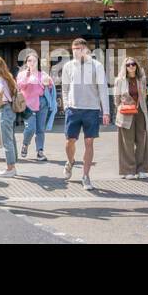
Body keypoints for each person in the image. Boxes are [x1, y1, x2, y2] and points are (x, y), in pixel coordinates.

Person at [60, 38, 110, 190]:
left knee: (89, 142)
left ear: (86, 50)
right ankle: (70, 162)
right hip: (73, 109)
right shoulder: (68, 66)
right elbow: (65, 88)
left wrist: (106, 111)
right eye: (74, 49)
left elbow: (102, 89)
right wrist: (67, 105)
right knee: (70, 141)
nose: (76, 52)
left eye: (79, 49)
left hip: (91, 109)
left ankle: (86, 176)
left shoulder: (96, 65)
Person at [113, 57, 148, 179]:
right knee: (126, 142)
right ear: (125, 67)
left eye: (133, 64)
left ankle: (141, 168)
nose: (131, 67)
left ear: (137, 66)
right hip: (126, 113)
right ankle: (128, 170)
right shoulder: (120, 80)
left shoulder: (141, 79)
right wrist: (121, 107)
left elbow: (144, 95)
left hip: (140, 111)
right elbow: (116, 99)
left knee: (141, 141)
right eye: (128, 65)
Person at [17, 51, 53, 161]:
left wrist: (48, 83)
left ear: (38, 62)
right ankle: (25, 144)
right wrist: (28, 78)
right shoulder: (22, 74)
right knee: (30, 128)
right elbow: (18, 86)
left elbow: (50, 85)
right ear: (26, 62)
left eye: (34, 60)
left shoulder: (42, 74)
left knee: (40, 129)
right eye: (29, 60)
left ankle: (40, 151)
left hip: (42, 103)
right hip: (28, 104)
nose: (32, 63)